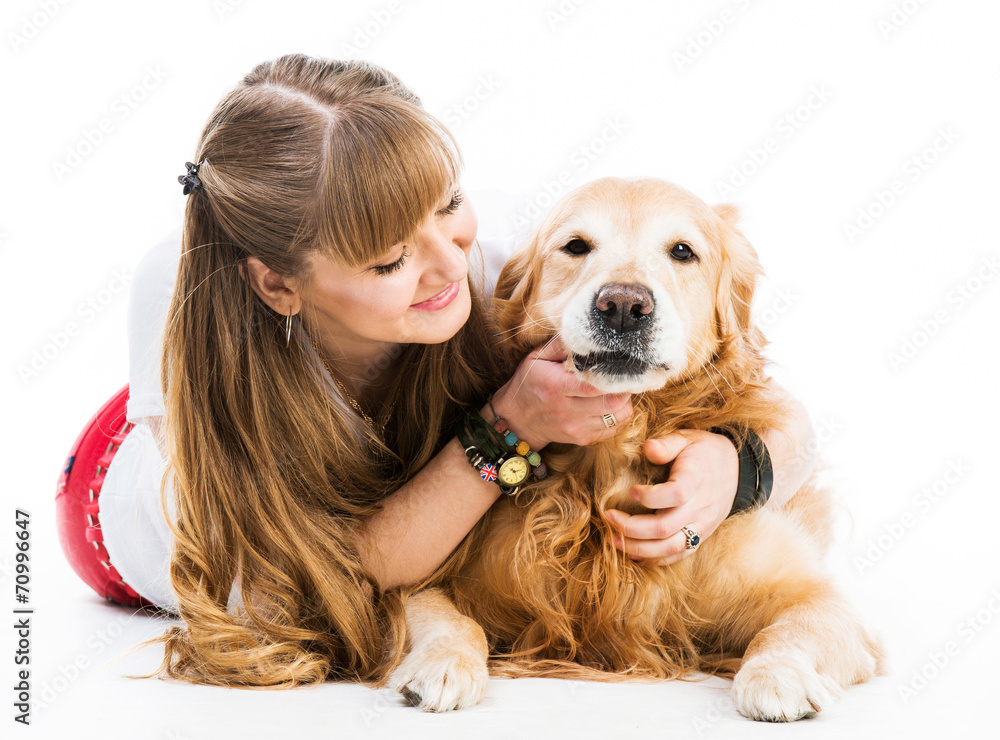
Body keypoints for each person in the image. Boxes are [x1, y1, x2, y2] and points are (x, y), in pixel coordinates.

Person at [55, 54, 819, 688]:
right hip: (143, 491)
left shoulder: (515, 259)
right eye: (390, 258)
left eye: (447, 204)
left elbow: (778, 414)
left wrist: (737, 467)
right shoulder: (178, 295)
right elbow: (333, 592)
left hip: (386, 460)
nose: (452, 265)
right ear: (277, 284)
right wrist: (511, 428)